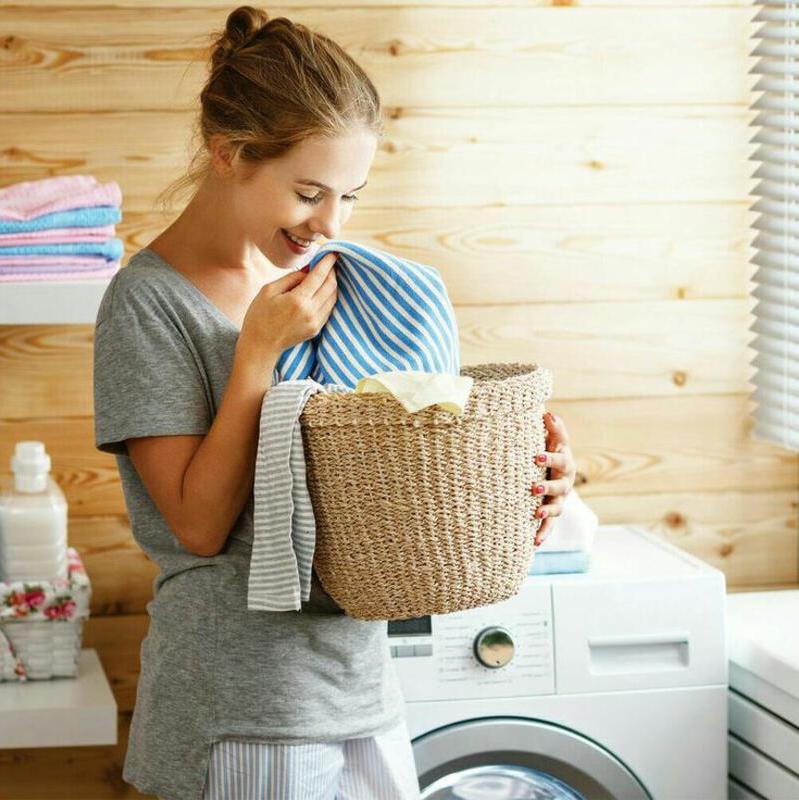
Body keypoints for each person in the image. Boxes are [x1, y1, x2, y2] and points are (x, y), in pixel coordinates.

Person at [92, 6, 577, 798]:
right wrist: (257, 354)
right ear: (230, 153)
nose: (330, 223)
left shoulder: (342, 285)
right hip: (244, 701)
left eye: (350, 195)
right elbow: (197, 526)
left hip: (363, 685)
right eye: (309, 192)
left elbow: (393, 465)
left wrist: (523, 477)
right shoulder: (148, 304)